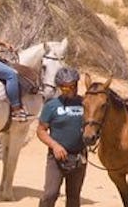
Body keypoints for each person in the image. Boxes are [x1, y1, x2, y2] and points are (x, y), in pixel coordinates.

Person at [37, 67, 87, 207]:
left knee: (73, 197)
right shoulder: (51, 106)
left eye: (72, 86)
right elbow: (41, 131)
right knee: (50, 195)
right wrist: (55, 146)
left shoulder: (85, 104)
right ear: (59, 87)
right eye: (65, 88)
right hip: (57, 158)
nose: (69, 90)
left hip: (79, 157)